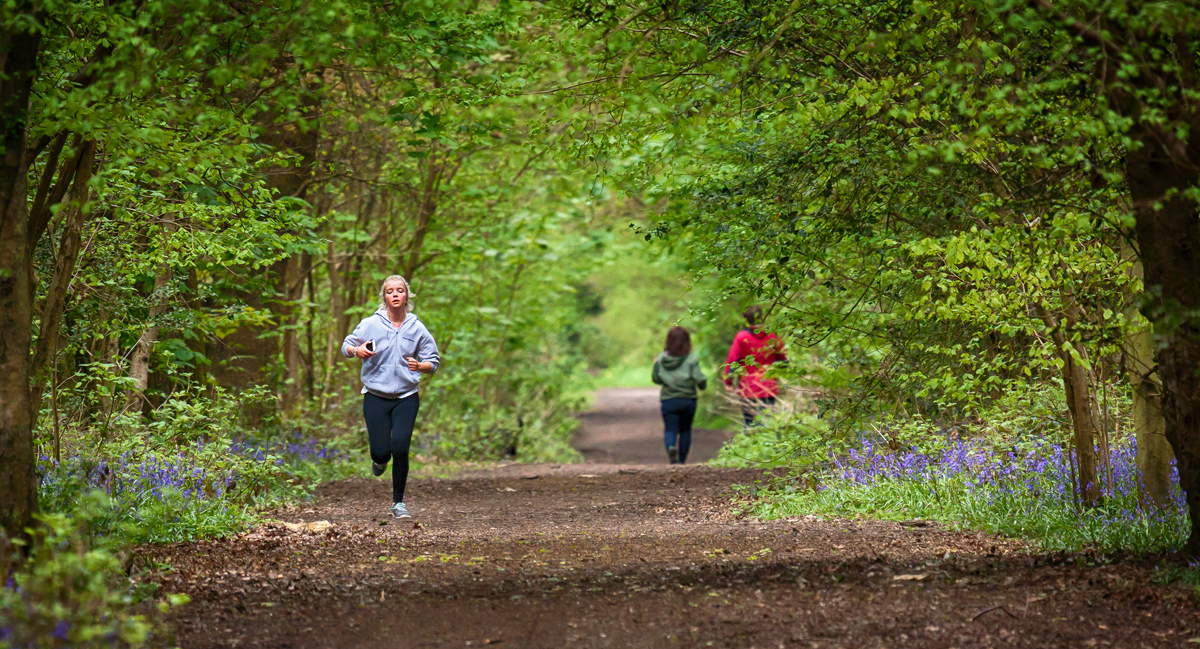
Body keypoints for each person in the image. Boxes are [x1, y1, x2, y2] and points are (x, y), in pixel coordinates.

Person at [342, 275, 439, 519]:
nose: (395, 295)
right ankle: (379, 460)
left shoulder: (417, 327)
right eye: (389, 291)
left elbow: (433, 361)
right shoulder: (370, 324)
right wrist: (357, 350)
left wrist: (421, 366)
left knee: (401, 446)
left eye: (399, 291)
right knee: (381, 451)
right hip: (375, 395)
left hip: (407, 396)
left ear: (407, 296)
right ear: (384, 297)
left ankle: (398, 503)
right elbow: (346, 346)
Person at [651, 326, 707, 464]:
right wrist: (702, 385)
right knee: (685, 430)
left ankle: (671, 448)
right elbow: (699, 378)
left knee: (670, 429)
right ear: (687, 342)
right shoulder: (691, 359)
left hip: (669, 400)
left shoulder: (661, 359)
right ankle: (681, 460)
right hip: (688, 400)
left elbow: (655, 378)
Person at [724, 306, 786, 427]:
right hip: (769, 386)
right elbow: (783, 361)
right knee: (767, 423)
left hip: (748, 388)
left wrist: (729, 381)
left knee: (749, 424)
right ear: (762, 317)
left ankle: (749, 444)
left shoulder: (741, 337)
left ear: (746, 319)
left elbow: (733, 360)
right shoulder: (773, 336)